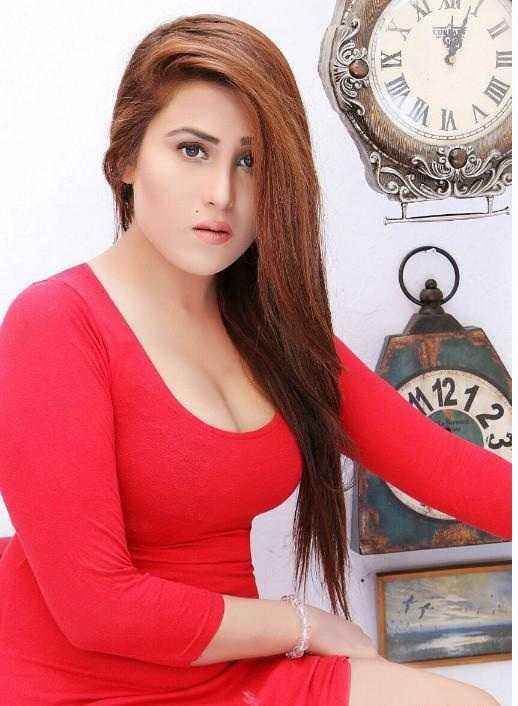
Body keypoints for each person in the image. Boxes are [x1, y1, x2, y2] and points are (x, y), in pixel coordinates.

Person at [0, 13, 508, 706]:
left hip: (232, 672)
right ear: (124, 160)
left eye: (249, 161)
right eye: (192, 150)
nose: (222, 194)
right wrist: (301, 625)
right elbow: (95, 608)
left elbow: (449, 470)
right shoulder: (55, 323)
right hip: (79, 685)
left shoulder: (274, 334)